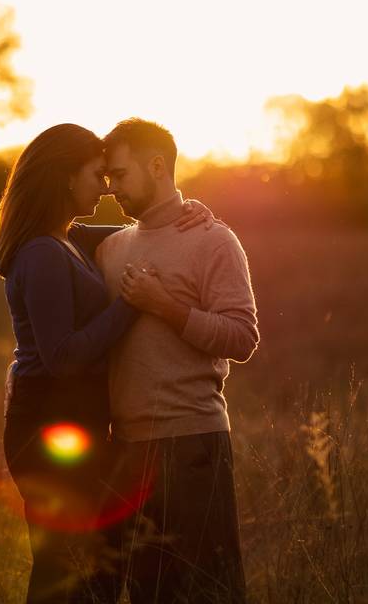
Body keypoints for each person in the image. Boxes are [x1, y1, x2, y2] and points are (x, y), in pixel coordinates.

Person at [0, 123, 214, 603]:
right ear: (67, 178)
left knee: (94, 566)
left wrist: (183, 212)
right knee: (66, 569)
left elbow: (143, 232)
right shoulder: (43, 254)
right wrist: (131, 304)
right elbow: (63, 357)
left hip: (77, 423)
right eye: (97, 174)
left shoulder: (70, 238)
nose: (107, 187)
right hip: (51, 423)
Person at [95, 118, 260, 603]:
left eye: (120, 176)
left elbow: (243, 338)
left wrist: (166, 306)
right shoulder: (109, 247)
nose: (113, 190)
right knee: (148, 591)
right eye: (106, 179)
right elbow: (50, 228)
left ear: (158, 165)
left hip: (192, 446)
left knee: (205, 591)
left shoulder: (214, 241)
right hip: (126, 449)